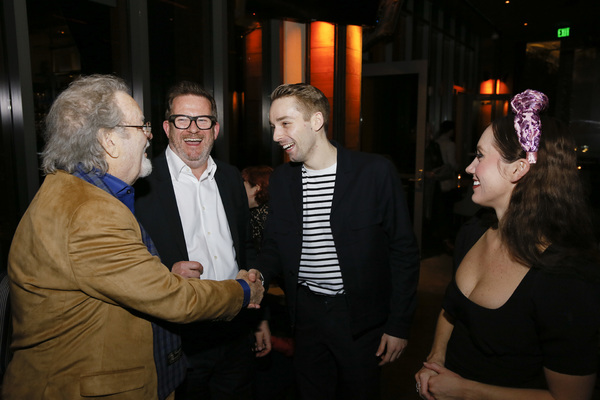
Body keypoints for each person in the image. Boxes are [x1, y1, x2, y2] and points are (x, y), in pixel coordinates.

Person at [2, 74, 264, 400]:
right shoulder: (90, 213)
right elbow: (172, 298)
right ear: (109, 141)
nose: (148, 137)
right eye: (141, 127)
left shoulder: (69, 191)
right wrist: (243, 291)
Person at [415, 89, 600, 400]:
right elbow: (451, 308)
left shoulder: (567, 277)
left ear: (518, 169)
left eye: (480, 156)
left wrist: (464, 390)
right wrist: (435, 360)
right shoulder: (472, 232)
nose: (470, 168)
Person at [256, 83, 421, 399]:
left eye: (285, 123)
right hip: (304, 314)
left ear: (316, 121)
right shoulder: (282, 179)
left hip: (358, 317)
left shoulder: (374, 172)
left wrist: (398, 324)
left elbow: (404, 251)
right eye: (273, 126)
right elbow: (274, 244)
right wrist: (257, 277)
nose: (276, 135)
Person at [134, 81, 269, 400]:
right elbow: (127, 263)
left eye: (203, 120)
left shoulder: (230, 177)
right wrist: (166, 274)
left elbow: (246, 247)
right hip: (181, 338)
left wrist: (258, 316)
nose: (193, 129)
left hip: (236, 331)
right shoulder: (142, 185)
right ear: (168, 127)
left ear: (215, 128)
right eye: (183, 119)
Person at [241, 165, 274, 253]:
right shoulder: (258, 212)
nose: (239, 191)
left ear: (256, 188)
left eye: (243, 186)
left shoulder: (262, 216)